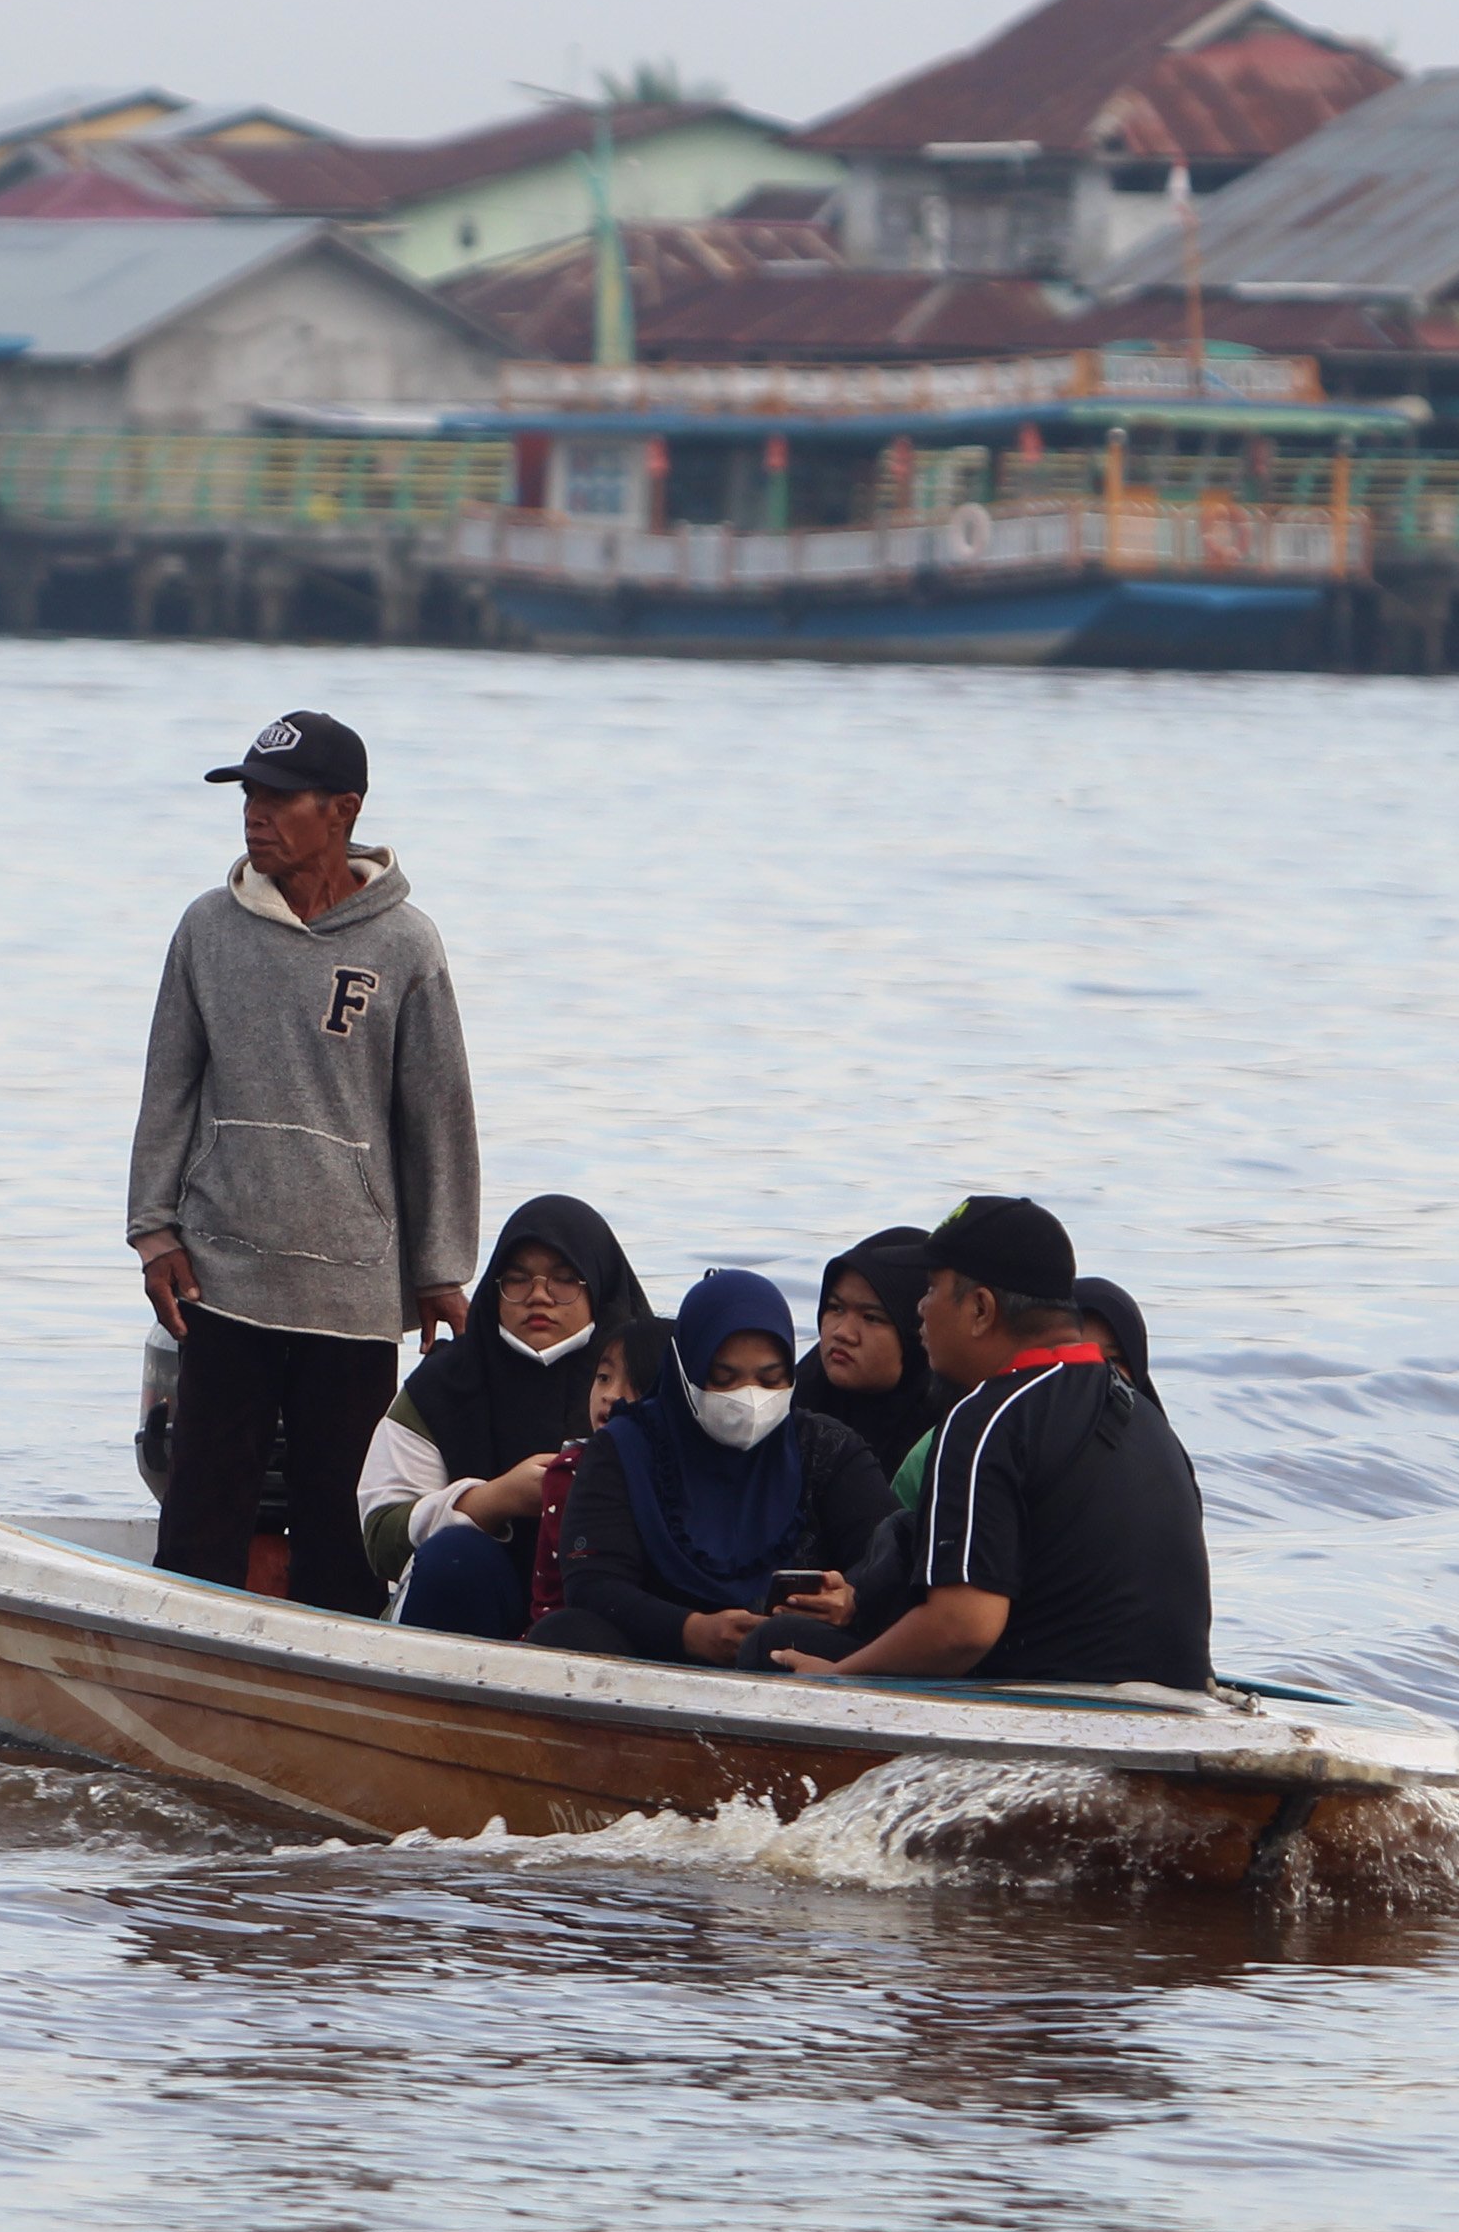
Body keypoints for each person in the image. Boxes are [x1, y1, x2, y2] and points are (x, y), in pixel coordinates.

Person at [127, 711, 479, 1616]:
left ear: (345, 809)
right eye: (248, 794)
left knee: (342, 1529)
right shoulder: (207, 929)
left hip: (353, 1291)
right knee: (203, 1515)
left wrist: (441, 1270)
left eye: (279, 797)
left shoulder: (407, 946)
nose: (255, 813)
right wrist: (153, 1229)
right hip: (222, 1275)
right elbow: (168, 1085)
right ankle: (181, 1680)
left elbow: (435, 1116)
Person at [775, 1197, 1211, 1691]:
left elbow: (962, 1629)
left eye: (933, 1289)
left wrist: (836, 1678)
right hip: (1180, 1697)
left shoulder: (987, 1419)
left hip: (1067, 1708)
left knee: (779, 1643)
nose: (920, 1309)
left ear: (980, 1309)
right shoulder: (1144, 1414)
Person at [524, 1268, 896, 1668]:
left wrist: (851, 1596)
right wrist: (690, 1630)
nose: (750, 1397)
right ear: (685, 1373)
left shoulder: (826, 1449)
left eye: (771, 1380)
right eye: (724, 1379)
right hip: (656, 1658)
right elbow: (594, 1583)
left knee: (778, 1639)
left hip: (787, 1657)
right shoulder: (624, 1449)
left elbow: (893, 1554)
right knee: (564, 1634)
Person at [360, 1195, 650, 1640]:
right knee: (455, 1558)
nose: (538, 1296)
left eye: (564, 1280)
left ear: (599, 1285)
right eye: (516, 1280)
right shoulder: (441, 1387)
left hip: (608, 1616)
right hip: (469, 1610)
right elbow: (380, 1538)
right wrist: (494, 1501)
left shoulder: (650, 1379)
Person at [789, 1226, 940, 1494]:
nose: (842, 1333)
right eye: (835, 1308)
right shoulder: (790, 1404)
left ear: (916, 1333)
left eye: (871, 1317)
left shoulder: (952, 1435)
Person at [1074, 1275, 1160, 1411]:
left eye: (1113, 1360)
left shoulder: (1154, 1430)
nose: (1096, 1375)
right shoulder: (1030, 1426)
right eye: (1080, 1358)